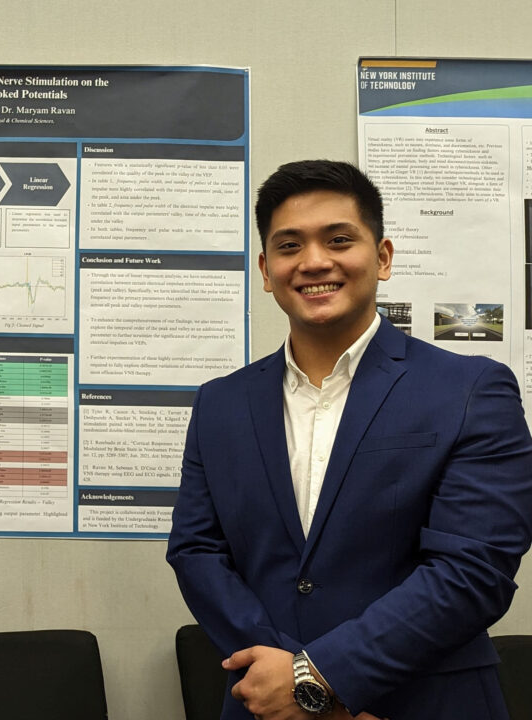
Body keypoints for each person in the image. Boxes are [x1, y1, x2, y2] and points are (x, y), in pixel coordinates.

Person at [167, 160, 532, 720]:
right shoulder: (221, 402)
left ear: (382, 257)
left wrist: (319, 678)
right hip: (265, 706)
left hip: (423, 701)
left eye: (339, 240)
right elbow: (197, 551)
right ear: (266, 270)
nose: (314, 261)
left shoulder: (470, 389)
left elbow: (474, 569)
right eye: (289, 246)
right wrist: (288, 680)